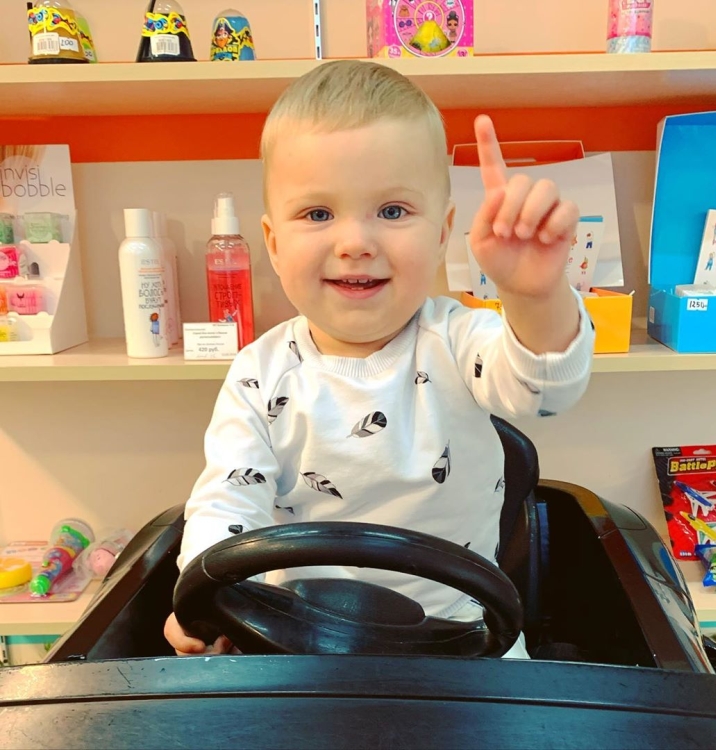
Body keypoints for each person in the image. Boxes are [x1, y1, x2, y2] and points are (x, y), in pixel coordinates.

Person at [164, 60, 594, 657]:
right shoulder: (259, 373)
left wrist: (534, 295)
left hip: (469, 644)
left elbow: (543, 387)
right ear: (272, 242)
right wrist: (204, 597)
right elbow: (228, 500)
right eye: (318, 214)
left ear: (444, 232)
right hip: (294, 640)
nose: (356, 242)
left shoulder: (459, 340)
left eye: (392, 211)